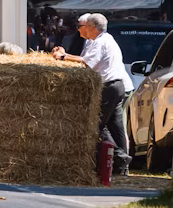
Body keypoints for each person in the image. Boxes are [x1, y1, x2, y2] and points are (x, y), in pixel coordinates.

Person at [52, 13, 132, 176]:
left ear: (93, 28)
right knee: (116, 127)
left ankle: (120, 157)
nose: (83, 29)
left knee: (95, 124)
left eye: (85, 26)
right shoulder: (107, 39)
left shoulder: (100, 41)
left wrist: (63, 57)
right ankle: (121, 168)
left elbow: (87, 63)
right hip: (118, 85)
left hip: (108, 87)